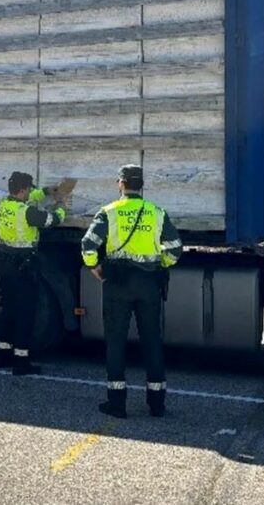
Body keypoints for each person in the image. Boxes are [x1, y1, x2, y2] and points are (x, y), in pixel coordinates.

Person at [80, 164, 183, 418]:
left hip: (117, 284)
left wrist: (96, 270)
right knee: (152, 342)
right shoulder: (156, 212)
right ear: (142, 185)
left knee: (116, 342)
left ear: (121, 184)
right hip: (149, 284)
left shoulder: (109, 212)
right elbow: (175, 248)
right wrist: (160, 265)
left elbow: (88, 246)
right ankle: (157, 403)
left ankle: (117, 403)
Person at [0, 171, 66, 376]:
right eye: (30, 189)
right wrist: (61, 206)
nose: (31, 193)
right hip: (24, 265)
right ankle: (21, 361)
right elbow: (51, 220)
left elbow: (32, 197)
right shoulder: (26, 212)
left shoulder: (5, 205)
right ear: (23, 189)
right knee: (25, 313)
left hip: (6, 262)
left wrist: (45, 192)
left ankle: (3, 356)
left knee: (8, 310)